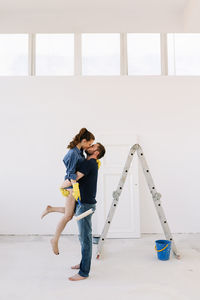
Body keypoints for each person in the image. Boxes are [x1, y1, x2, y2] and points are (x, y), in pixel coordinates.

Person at [41, 128, 95, 255]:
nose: (90, 146)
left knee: (72, 212)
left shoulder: (80, 152)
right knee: (68, 216)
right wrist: (75, 187)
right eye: (89, 143)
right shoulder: (72, 153)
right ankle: (54, 239)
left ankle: (51, 209)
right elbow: (71, 173)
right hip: (71, 185)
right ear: (83, 140)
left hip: (74, 185)